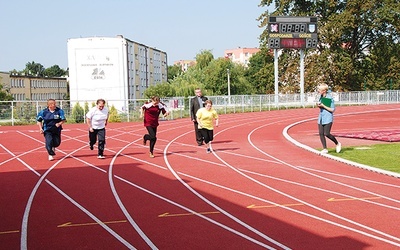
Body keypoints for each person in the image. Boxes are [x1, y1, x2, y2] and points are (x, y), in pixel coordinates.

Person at [317, 83, 341, 154]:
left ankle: (337, 143)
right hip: (321, 117)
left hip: (328, 118)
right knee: (321, 133)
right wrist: (319, 105)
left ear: (324, 90)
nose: (318, 91)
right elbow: (322, 106)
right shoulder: (321, 97)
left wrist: (323, 106)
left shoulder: (329, 98)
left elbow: (332, 109)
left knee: (326, 133)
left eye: (319, 89)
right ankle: (325, 148)